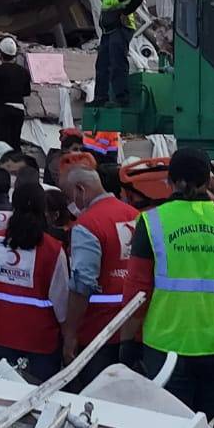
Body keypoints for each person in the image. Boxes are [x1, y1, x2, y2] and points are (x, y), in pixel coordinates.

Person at [122, 148, 214, 428]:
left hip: (166, 348)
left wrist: (127, 341)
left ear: (170, 182)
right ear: (208, 180)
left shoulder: (152, 223)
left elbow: (137, 292)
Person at [0, 180, 70, 383]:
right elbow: (61, 299)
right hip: (40, 338)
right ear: (43, 209)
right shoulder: (53, 249)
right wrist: (67, 334)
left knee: (3, 392)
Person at [58, 163, 141, 386]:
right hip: (133, 327)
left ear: (80, 190)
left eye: (69, 196)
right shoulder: (135, 216)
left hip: (97, 331)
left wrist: (70, 333)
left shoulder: (88, 224)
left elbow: (82, 284)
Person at [95, 0, 144, 106]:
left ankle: (121, 97)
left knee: (118, 63)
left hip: (120, 28)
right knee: (102, 64)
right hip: (108, 30)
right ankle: (100, 98)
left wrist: (125, 12)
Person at [0, 37, 32, 150]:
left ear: (0, 54)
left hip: (2, 110)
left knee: (2, 143)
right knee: (15, 142)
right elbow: (27, 92)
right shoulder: (23, 72)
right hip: (19, 111)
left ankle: (3, 165)